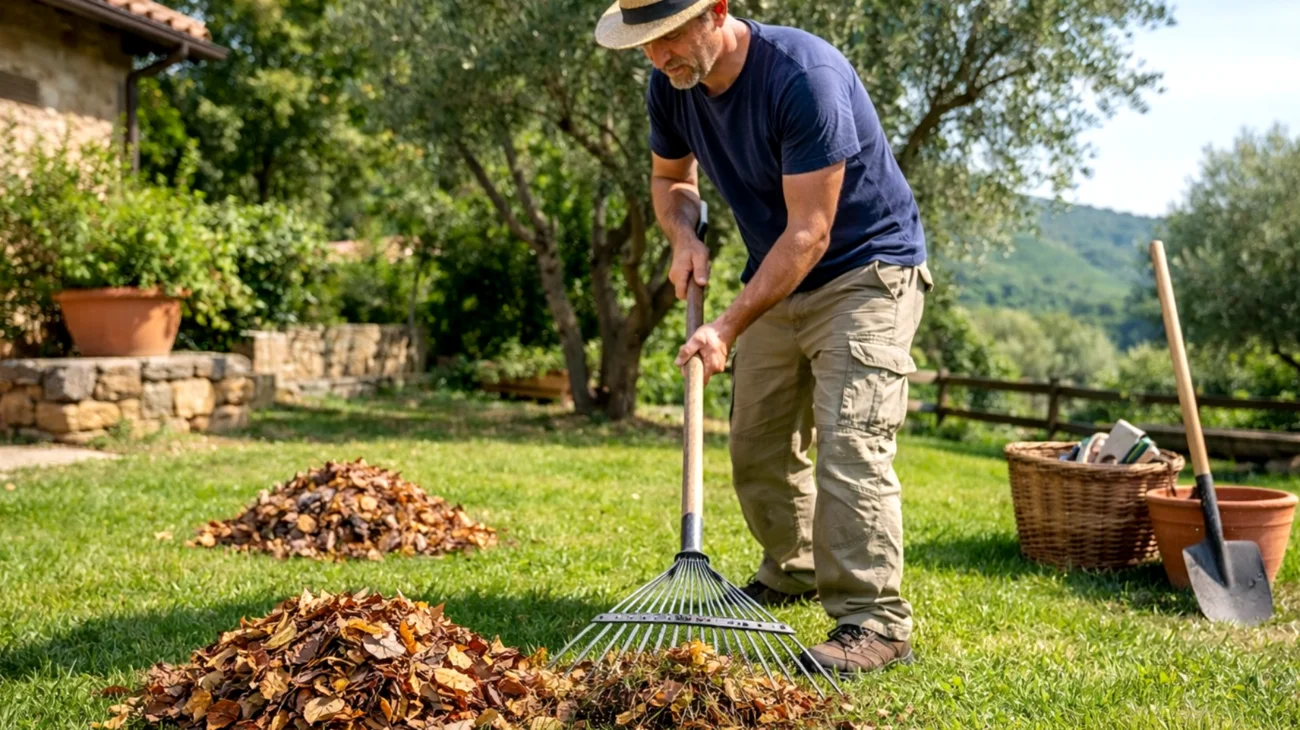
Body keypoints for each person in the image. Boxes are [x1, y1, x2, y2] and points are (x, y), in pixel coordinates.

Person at [594, 0, 934, 674]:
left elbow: (811, 231)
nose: (660, 58)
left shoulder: (802, 77)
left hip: (866, 271)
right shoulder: (671, 85)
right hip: (780, 275)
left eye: (669, 38)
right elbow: (671, 179)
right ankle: (794, 569)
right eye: (646, 44)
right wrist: (683, 233)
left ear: (716, 10)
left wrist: (724, 326)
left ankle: (874, 623)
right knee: (756, 442)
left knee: (851, 441)